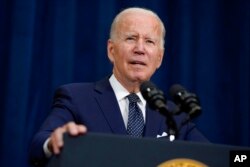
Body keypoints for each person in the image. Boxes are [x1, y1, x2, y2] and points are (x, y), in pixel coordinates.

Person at [29, 7, 208, 167]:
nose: (140, 49)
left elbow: (214, 156)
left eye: (149, 41)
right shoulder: (76, 98)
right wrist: (53, 142)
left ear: (159, 58)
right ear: (111, 50)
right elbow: (40, 143)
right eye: (131, 38)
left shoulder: (174, 115)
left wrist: (237, 158)